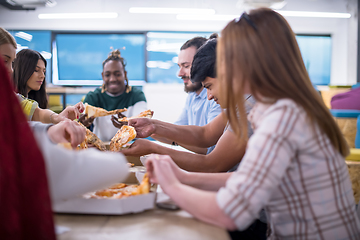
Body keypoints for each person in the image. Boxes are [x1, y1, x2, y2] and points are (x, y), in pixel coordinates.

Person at [140, 8, 360, 239]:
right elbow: (247, 178)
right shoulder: (283, 106)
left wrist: (171, 185)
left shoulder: (280, 119)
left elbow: (230, 212)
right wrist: (182, 177)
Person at [122, 38, 255, 173]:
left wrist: (154, 149)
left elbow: (212, 164)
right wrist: (153, 125)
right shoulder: (240, 103)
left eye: (209, 87)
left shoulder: (249, 110)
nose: (209, 96)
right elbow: (205, 134)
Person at [80, 49, 148, 141]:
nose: (112, 79)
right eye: (107, 75)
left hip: (129, 148)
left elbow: (143, 124)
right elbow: (82, 131)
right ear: (103, 76)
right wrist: (82, 124)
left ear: (125, 74)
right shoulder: (93, 97)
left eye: (117, 74)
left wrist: (129, 125)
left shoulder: (136, 96)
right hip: (101, 149)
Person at [12, 48, 83, 123]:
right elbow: (39, 115)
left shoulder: (32, 99)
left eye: (44, 71)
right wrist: (58, 118)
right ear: (22, 70)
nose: (42, 76)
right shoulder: (12, 100)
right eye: (36, 70)